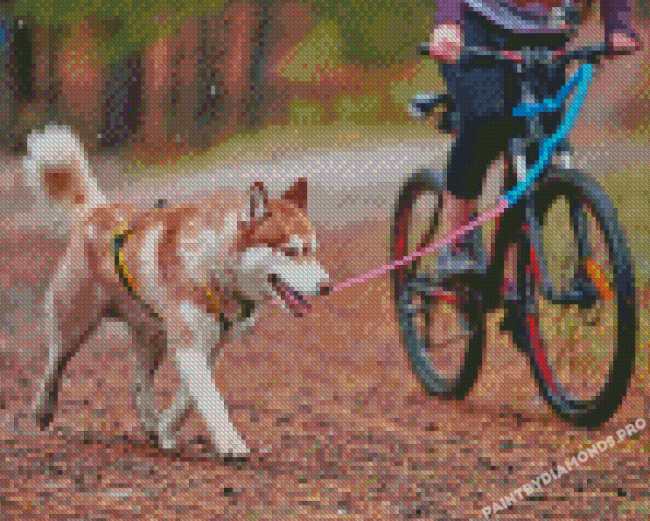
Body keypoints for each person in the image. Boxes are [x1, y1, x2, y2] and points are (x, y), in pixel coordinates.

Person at [428, 0, 642, 288]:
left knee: (540, 143)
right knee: (485, 122)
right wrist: (449, 22)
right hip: (477, 20)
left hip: (545, 29)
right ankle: (456, 243)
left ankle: (517, 277)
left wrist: (618, 24)